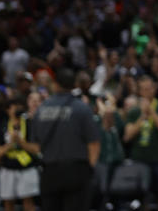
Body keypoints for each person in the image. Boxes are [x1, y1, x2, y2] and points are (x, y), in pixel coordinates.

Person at [31, 67, 101, 211]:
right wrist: (89, 169)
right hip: (77, 170)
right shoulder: (82, 108)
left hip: (49, 171)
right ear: (75, 84)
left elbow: (35, 146)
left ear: (55, 84)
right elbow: (94, 144)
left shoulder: (41, 109)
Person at [123, 75, 158, 211]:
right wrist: (142, 116)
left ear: (154, 89)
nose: (147, 92)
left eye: (149, 88)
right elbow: (127, 136)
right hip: (140, 160)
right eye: (144, 89)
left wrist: (151, 112)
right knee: (142, 198)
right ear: (139, 91)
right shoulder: (134, 111)